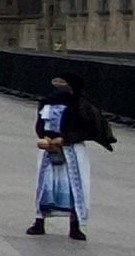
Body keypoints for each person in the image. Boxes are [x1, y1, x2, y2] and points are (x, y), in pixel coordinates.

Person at [30, 72, 114, 240]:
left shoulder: (82, 105)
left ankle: (75, 225)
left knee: (76, 186)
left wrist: (66, 138)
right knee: (45, 184)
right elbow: (40, 123)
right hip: (49, 150)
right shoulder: (47, 102)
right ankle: (40, 221)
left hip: (72, 150)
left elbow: (89, 129)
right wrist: (45, 136)